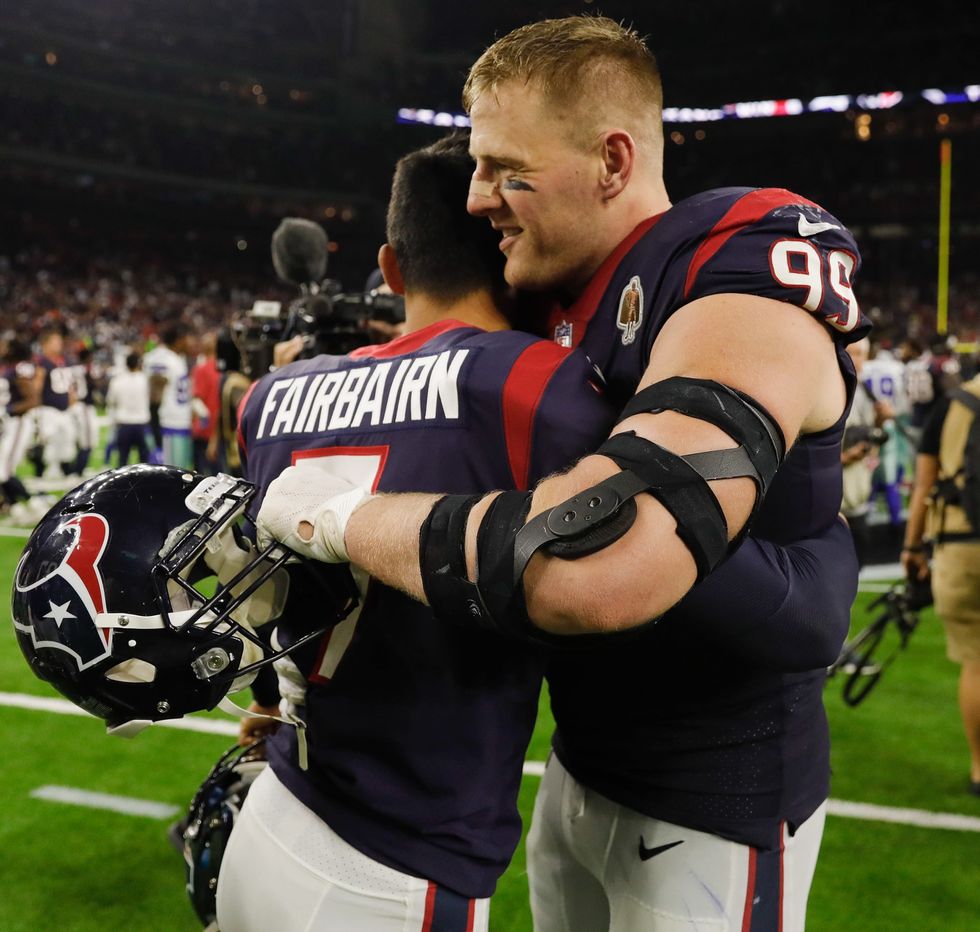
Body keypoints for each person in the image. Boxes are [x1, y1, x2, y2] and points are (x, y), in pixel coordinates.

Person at [257, 17, 871, 932]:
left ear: (612, 162)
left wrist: (342, 516)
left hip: (715, 797)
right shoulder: (538, 301)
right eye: (476, 168)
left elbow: (603, 568)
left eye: (507, 170)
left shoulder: (734, 261)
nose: (477, 200)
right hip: (575, 771)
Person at [215, 132, 617, 932]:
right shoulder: (536, 383)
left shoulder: (272, 396)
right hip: (401, 860)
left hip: (274, 810)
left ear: (392, 268)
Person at [903, 368, 980, 795]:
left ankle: (979, 770)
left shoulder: (951, 404)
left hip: (961, 542)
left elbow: (923, 486)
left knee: (976, 660)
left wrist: (912, 546)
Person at [841, 337, 894, 566]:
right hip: (833, 503)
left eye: (860, 354)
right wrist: (845, 457)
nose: (855, 360)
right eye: (850, 352)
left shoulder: (865, 390)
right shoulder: (830, 392)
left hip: (859, 496)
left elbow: (870, 439)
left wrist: (880, 422)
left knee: (857, 564)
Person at [143, 321, 193, 468]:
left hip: (179, 422)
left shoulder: (175, 358)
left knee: (181, 473)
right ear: (178, 341)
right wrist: (155, 424)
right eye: (186, 340)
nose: (188, 344)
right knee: (170, 474)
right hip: (168, 425)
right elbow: (155, 390)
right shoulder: (162, 357)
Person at [34, 326, 77, 478]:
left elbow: (71, 385)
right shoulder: (41, 362)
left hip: (65, 410)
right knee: (47, 443)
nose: (59, 344)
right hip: (48, 409)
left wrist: (73, 400)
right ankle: (41, 475)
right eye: (55, 341)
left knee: (67, 443)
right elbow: (37, 387)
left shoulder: (65, 361)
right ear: (45, 344)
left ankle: (64, 473)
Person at [105, 351, 151, 467]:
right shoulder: (145, 379)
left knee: (123, 460)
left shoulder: (117, 380)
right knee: (144, 462)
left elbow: (111, 401)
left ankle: (123, 485)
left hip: (124, 423)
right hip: (141, 424)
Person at [191, 330, 220, 476]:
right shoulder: (224, 369)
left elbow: (197, 401)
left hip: (204, 431)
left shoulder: (201, 369)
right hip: (220, 430)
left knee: (200, 477)